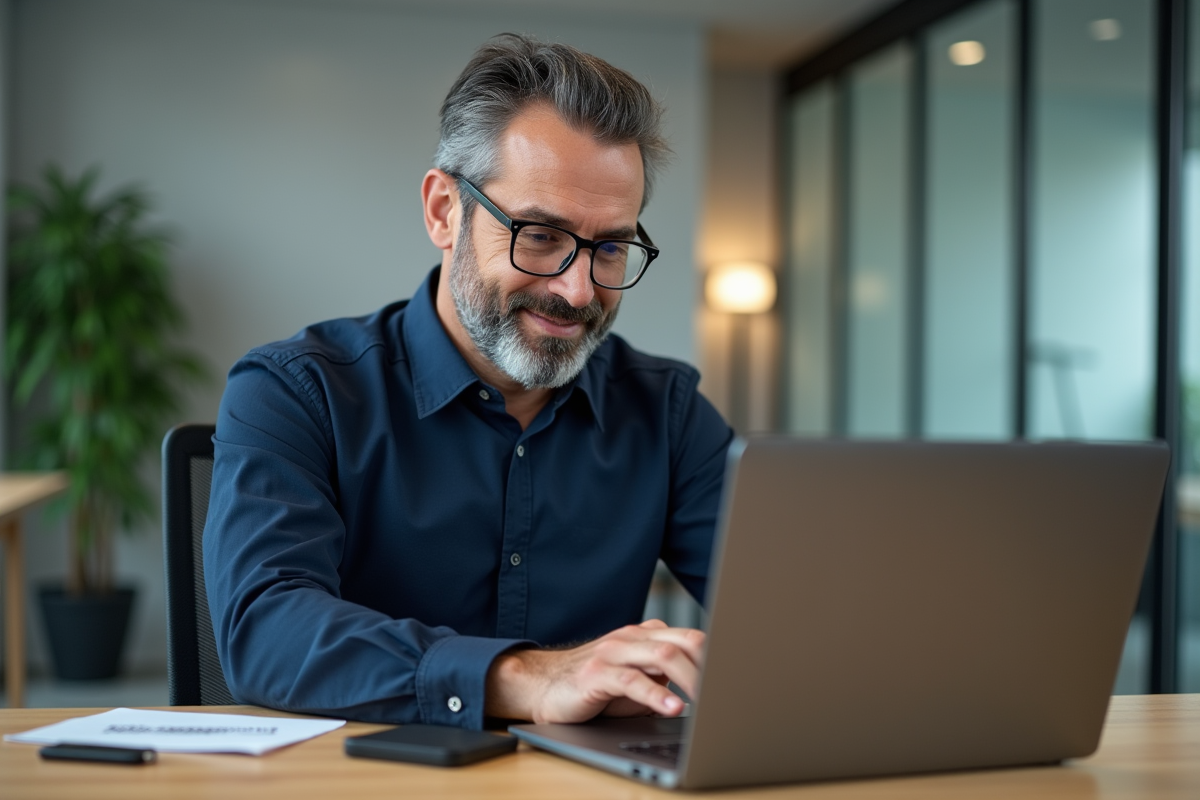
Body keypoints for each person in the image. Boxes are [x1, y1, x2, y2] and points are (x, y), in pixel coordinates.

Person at [204, 33, 734, 730]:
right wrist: (526, 679)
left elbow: (791, 607)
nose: (577, 292)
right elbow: (265, 629)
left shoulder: (665, 412)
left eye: (609, 247)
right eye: (540, 236)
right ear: (443, 212)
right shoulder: (294, 392)